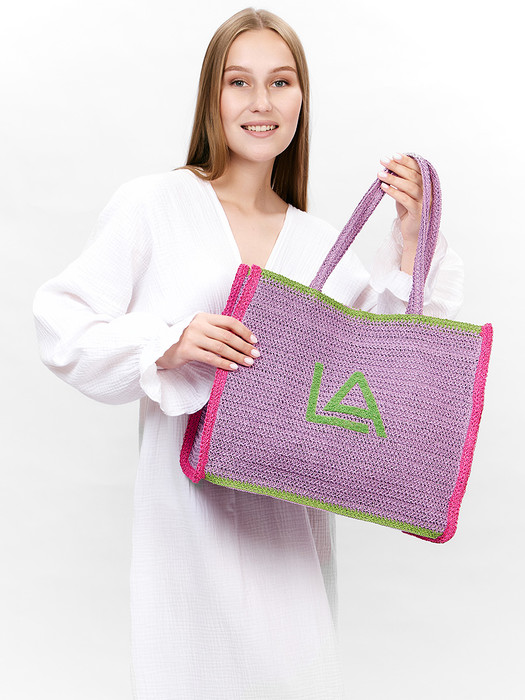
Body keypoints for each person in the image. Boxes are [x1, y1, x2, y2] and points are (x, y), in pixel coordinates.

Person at [33, 8, 463, 700]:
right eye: (239, 82)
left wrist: (412, 237)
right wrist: (166, 344)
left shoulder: (319, 243)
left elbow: (390, 363)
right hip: (185, 532)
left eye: (281, 82)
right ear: (213, 96)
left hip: (290, 546)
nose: (261, 102)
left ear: (302, 99)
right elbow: (62, 324)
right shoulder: (155, 205)